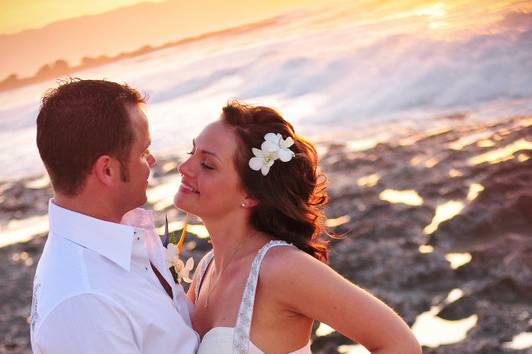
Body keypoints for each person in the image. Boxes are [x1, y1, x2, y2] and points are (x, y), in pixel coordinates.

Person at [174, 101, 422, 354]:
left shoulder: (280, 267)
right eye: (191, 153)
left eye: (207, 165)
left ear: (250, 194)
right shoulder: (207, 267)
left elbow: (400, 345)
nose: (184, 168)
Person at [30, 79, 199, 354]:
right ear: (106, 170)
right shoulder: (85, 302)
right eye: (143, 151)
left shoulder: (126, 229)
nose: (153, 160)